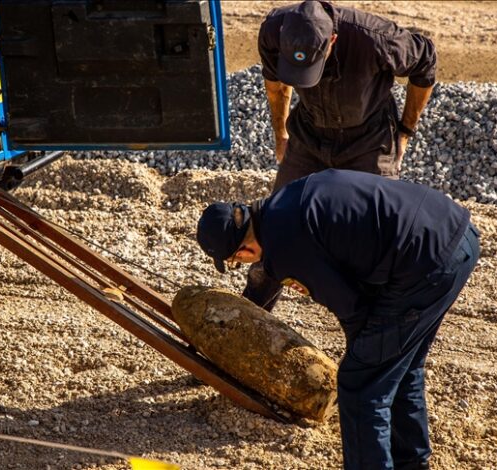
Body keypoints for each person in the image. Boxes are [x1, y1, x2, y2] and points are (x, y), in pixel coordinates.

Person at [196, 169, 480, 470]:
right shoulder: (287, 198)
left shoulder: (284, 249)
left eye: (233, 262)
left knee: (360, 383)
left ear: (243, 251)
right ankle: (411, 463)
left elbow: (352, 307)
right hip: (455, 233)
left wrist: (362, 355)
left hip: (425, 263)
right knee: (399, 366)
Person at [246, 0, 437, 311]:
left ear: (331, 41)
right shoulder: (272, 30)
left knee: (379, 239)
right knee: (275, 226)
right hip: (308, 136)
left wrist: (405, 131)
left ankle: (379, 339)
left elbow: (426, 59)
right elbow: (276, 85)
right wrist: (280, 133)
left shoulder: (375, 38)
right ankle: (252, 315)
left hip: (368, 141)